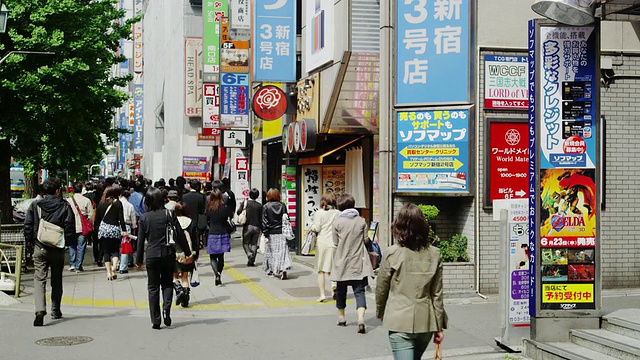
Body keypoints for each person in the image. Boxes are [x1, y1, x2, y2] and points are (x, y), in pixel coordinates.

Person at [375, 203, 448, 359]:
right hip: (426, 322)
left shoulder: (392, 253)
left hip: (399, 320)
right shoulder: (435, 254)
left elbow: (381, 288)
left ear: (398, 227)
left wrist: (381, 312)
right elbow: (437, 294)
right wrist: (439, 326)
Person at [136, 187, 192, 329]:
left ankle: (156, 319)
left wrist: (138, 259)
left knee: (153, 287)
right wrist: (187, 252)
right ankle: (166, 311)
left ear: (147, 201)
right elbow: (179, 234)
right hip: (168, 254)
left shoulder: (144, 218)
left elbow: (140, 241)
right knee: (167, 284)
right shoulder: (169, 214)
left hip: (152, 255)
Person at [24, 177, 75, 326]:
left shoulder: (36, 205)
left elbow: (28, 225)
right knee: (56, 280)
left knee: (39, 279)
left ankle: (39, 310)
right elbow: (70, 227)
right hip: (57, 248)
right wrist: (69, 244)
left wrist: (30, 242)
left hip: (40, 246)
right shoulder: (65, 206)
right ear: (58, 190)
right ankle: (55, 310)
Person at [330, 193, 372, 334]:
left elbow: (335, 243)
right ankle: (360, 319)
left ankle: (341, 317)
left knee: (341, 290)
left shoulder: (337, 222)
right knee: (359, 291)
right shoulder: (361, 221)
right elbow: (366, 240)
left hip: (342, 261)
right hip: (358, 260)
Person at [310, 192, 340, 302]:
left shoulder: (319, 213)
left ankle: (322, 295)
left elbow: (317, 228)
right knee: (332, 267)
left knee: (321, 269)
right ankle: (333, 285)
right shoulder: (338, 213)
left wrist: (312, 227)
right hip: (334, 243)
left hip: (322, 242)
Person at [95, 184, 128, 281]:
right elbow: (121, 219)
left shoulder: (101, 203)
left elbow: (98, 220)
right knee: (115, 250)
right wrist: (124, 230)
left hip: (104, 230)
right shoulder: (118, 203)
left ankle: (109, 273)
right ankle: (114, 267)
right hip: (114, 229)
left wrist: (97, 230)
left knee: (106, 251)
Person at [262, 188, 292, 280]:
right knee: (282, 252)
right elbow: (286, 218)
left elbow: (264, 222)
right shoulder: (282, 205)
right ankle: (283, 270)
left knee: (271, 252)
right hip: (282, 232)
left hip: (271, 233)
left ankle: (272, 270)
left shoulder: (266, 207)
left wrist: (265, 233)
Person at [206, 188, 232, 286]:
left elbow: (207, 220)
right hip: (223, 233)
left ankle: (216, 273)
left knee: (212, 257)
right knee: (221, 257)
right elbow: (228, 218)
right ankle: (219, 273)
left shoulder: (209, 208)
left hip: (212, 233)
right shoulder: (224, 208)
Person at [172, 203, 196, 307]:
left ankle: (179, 290)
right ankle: (185, 299)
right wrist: (195, 253)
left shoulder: (173, 222)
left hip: (175, 252)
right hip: (188, 253)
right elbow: (195, 239)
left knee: (175, 275)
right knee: (185, 276)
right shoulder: (190, 222)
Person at [67, 181, 94, 272]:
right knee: (81, 246)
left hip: (71, 226)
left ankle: (72, 263)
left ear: (73, 190)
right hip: (83, 227)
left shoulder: (68, 200)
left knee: (72, 245)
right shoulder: (86, 200)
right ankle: (78, 265)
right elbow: (90, 215)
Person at [237, 188, 262, 267]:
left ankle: (249, 253)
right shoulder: (259, 206)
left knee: (245, 243)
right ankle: (251, 261)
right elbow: (261, 217)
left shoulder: (245, 203)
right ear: (257, 196)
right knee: (254, 243)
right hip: (257, 227)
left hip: (247, 226)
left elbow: (238, 212)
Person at [182, 180, 206, 254]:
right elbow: (202, 210)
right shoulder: (201, 197)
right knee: (196, 237)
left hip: (186, 220)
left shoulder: (184, 197)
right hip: (197, 219)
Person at [119, 190, 137, 273]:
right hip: (126, 226)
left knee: (117, 246)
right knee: (125, 246)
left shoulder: (115, 204)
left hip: (116, 225)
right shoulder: (130, 205)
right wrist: (134, 227)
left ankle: (116, 263)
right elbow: (133, 218)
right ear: (128, 197)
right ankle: (123, 267)